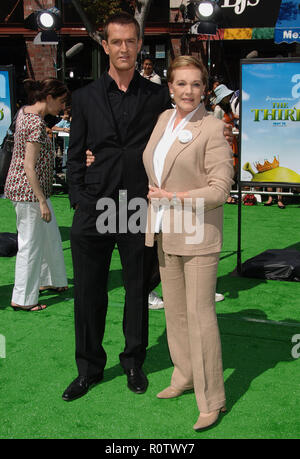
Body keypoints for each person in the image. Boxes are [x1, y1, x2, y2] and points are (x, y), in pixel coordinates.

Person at [64, 12, 233, 403]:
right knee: (89, 293)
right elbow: (75, 156)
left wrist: (214, 127)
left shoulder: (159, 96)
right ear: (104, 46)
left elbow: (179, 138)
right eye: (116, 42)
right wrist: (79, 199)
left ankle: (133, 362)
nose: (123, 48)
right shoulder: (84, 97)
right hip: (95, 207)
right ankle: (88, 369)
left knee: (137, 291)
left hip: (140, 209)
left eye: (130, 41)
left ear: (140, 45)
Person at [142, 56, 234, 431]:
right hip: (165, 229)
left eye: (196, 84)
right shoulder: (164, 119)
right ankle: (184, 375)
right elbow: (153, 164)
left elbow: (220, 189)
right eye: (181, 83)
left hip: (197, 232)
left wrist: (174, 197)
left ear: (204, 88)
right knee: (175, 313)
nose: (188, 91)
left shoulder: (212, 127)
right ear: (170, 87)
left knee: (200, 318)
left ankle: (213, 400)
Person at [4, 78, 69, 311]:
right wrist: (41, 200)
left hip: (29, 189)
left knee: (49, 235)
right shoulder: (36, 124)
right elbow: (29, 166)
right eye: (60, 101)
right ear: (49, 97)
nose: (62, 107)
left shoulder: (25, 112)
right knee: (30, 244)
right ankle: (22, 298)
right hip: (29, 191)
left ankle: (51, 280)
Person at [213, 84, 238, 204]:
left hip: (232, 141)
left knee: (233, 167)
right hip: (224, 142)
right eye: (227, 95)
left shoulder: (228, 107)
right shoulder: (218, 109)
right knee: (226, 168)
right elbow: (215, 126)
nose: (229, 96)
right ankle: (226, 194)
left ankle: (228, 192)